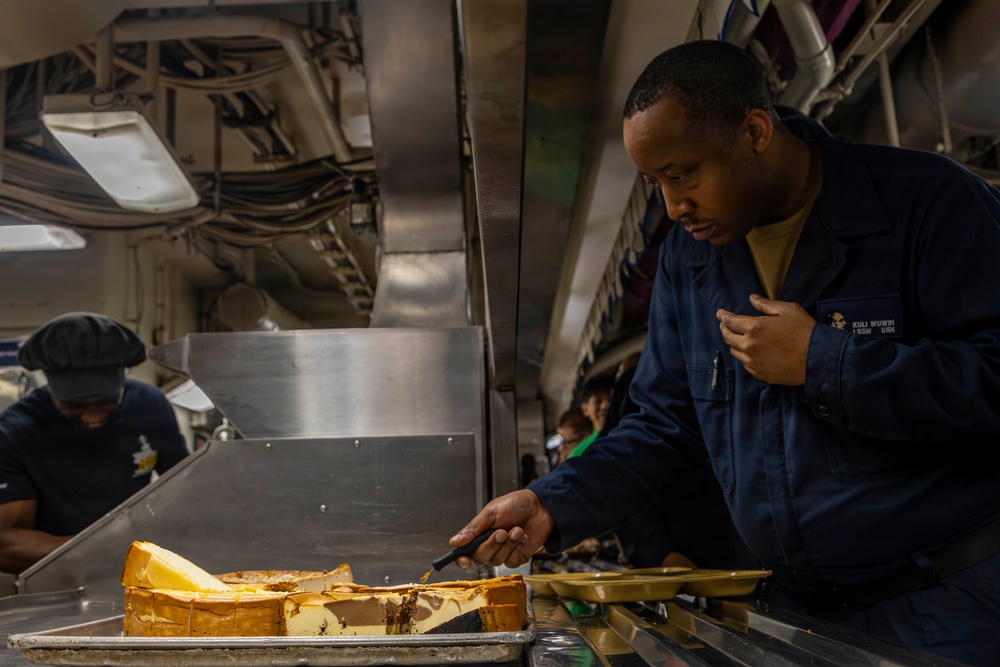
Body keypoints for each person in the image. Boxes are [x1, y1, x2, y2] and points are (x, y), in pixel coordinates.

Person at [449, 40, 1000, 666]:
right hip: (802, 617)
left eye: (684, 174)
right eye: (655, 183)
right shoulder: (692, 259)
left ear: (756, 130)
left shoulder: (926, 204)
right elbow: (663, 426)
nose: (674, 206)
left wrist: (824, 361)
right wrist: (554, 501)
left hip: (954, 607)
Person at [0, 312, 188, 573]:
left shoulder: (149, 405)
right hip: (54, 577)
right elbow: (7, 543)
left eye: (107, 402)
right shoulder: (15, 431)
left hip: (141, 569)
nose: (92, 416)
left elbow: (186, 490)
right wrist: (108, 548)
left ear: (123, 380)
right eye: (73, 406)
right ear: (51, 387)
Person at [565, 377, 613, 458]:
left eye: (609, 400)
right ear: (585, 409)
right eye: (599, 401)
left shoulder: (625, 434)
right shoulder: (579, 454)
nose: (605, 406)